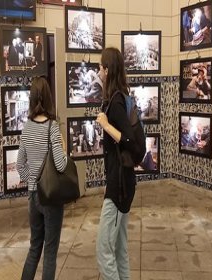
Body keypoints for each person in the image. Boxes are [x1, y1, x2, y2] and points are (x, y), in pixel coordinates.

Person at [17, 77, 68, 280]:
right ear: (48, 97)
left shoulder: (27, 127)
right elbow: (61, 165)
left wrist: (33, 183)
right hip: (51, 198)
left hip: (32, 198)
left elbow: (20, 165)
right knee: (50, 251)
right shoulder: (52, 127)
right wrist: (64, 150)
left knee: (34, 247)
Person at [95, 47, 137, 280]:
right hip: (123, 180)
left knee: (103, 250)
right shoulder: (119, 97)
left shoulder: (117, 102)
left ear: (108, 70)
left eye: (101, 67)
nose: (98, 71)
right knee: (120, 250)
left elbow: (129, 140)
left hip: (119, 185)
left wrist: (106, 125)